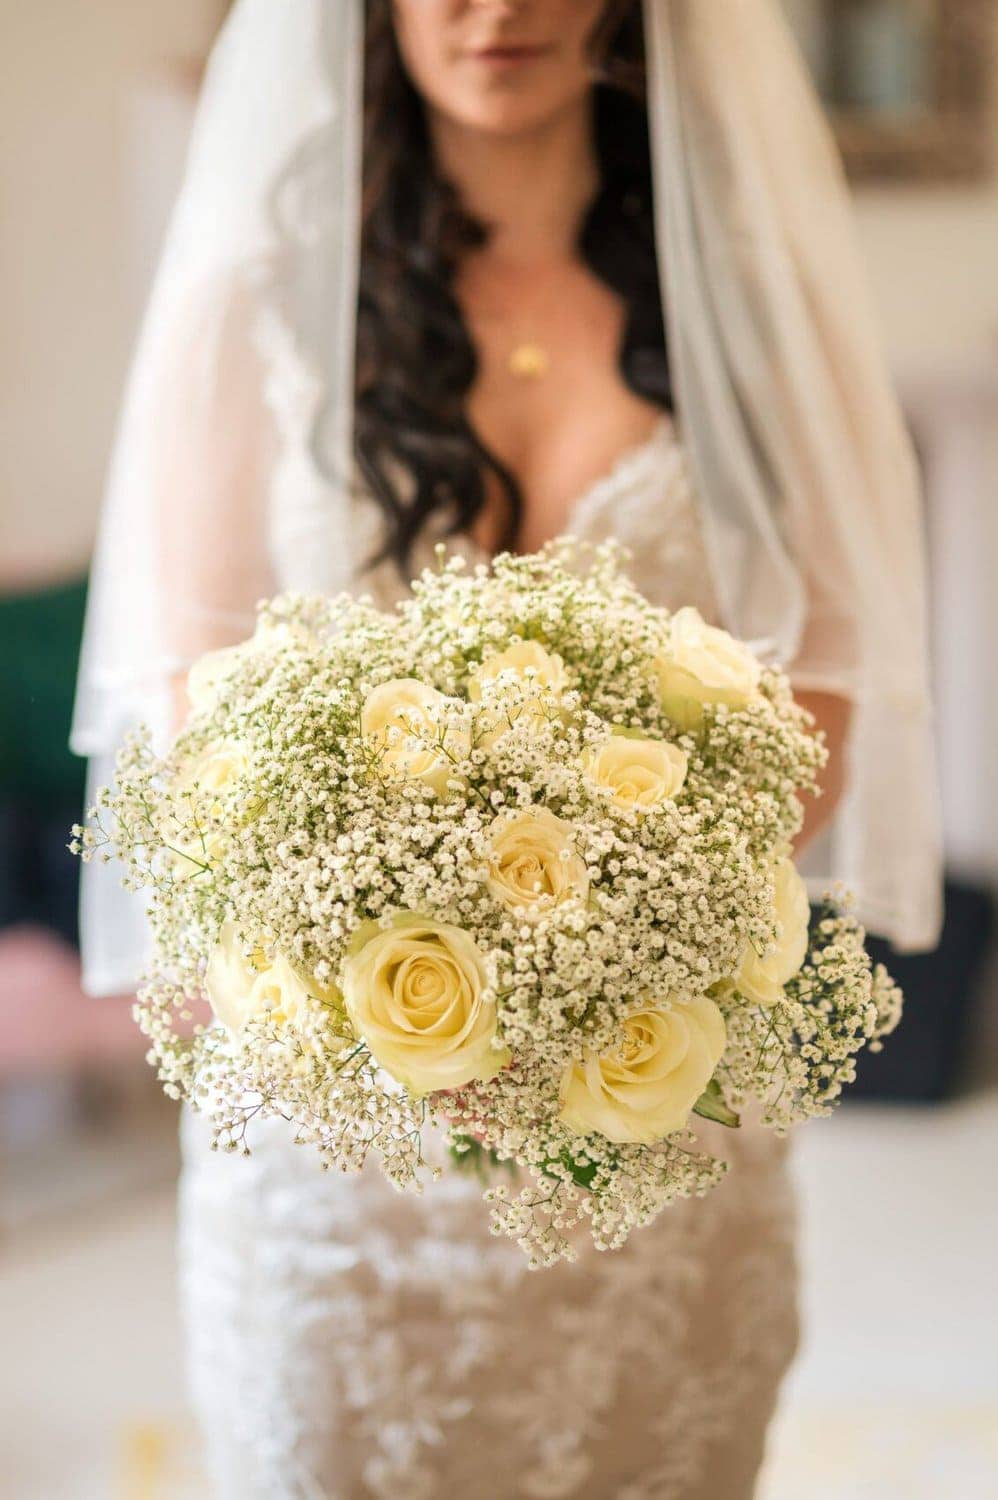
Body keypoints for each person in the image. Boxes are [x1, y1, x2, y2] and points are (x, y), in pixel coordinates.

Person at [71, 2, 943, 1496]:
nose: (497, 9)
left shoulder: (739, 302)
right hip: (340, 1162)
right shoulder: (259, 304)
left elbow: (827, 699)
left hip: (656, 1109)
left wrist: (589, 974)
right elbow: (193, 712)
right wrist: (381, 979)